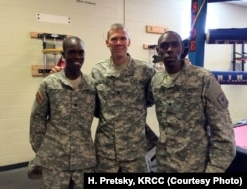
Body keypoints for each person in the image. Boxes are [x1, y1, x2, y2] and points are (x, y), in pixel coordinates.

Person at [50, 23, 156, 173]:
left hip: (135, 150)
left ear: (129, 42)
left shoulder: (145, 71)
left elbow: (158, 95)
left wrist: (182, 68)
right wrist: (61, 76)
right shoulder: (98, 71)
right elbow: (83, 97)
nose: (118, 43)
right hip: (106, 151)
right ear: (107, 43)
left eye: (123, 38)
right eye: (114, 39)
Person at [150, 30, 236, 172]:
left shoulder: (203, 79)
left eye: (174, 45)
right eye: (164, 46)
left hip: (195, 167)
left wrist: (213, 170)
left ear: (182, 49)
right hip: (164, 165)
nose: (170, 50)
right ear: (158, 51)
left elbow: (224, 134)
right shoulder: (156, 81)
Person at [29, 36, 96, 188]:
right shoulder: (50, 83)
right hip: (55, 160)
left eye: (81, 52)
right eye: (72, 52)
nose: (77, 56)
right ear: (64, 55)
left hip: (84, 161)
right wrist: (42, 150)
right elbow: (37, 118)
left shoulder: (92, 85)